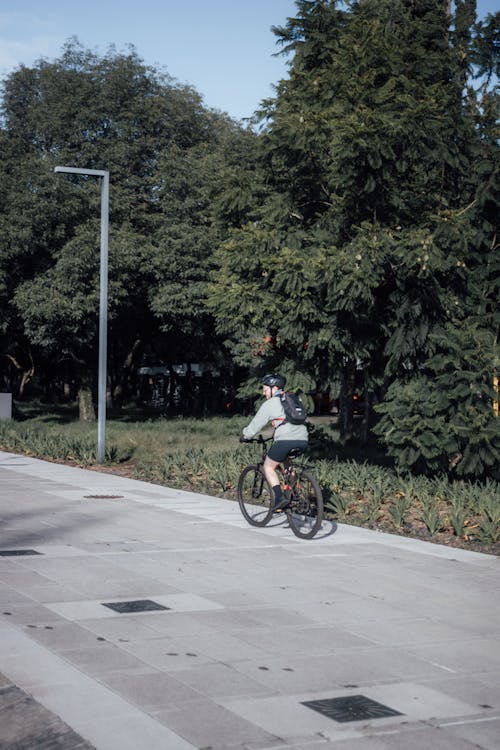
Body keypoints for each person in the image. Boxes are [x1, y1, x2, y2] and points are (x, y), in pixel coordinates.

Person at [240, 373, 308, 510]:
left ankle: (279, 498)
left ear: (274, 388)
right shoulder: (293, 399)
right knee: (286, 462)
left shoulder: (271, 403)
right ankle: (293, 493)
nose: (265, 394)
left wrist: (245, 436)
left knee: (268, 467)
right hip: (303, 439)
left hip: (285, 441)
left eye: (265, 390)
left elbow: (255, 425)